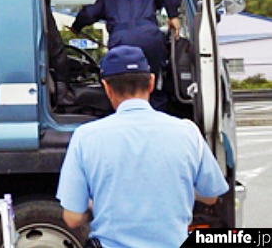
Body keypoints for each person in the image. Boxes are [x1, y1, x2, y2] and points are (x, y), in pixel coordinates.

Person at [56, 46, 229, 248]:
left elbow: (73, 218)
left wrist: (99, 203)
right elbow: (210, 196)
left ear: (106, 87)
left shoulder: (85, 137)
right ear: (151, 82)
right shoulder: (188, 132)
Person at [69, 0, 181, 110]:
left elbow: (88, 13)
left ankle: (122, 111)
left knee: (120, 82)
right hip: (149, 38)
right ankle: (156, 112)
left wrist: (76, 27)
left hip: (121, 40)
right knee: (154, 85)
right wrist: (173, 15)